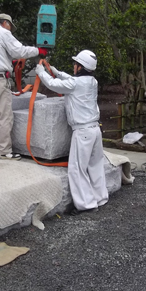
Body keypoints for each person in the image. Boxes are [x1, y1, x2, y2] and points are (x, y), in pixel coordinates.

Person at [35, 50, 108, 214]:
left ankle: (87, 204)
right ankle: (100, 197)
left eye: (76, 64)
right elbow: (71, 80)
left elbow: (53, 85)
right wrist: (55, 71)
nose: (74, 66)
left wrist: (41, 72)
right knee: (95, 165)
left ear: (80, 66)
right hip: (95, 130)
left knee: (77, 169)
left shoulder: (76, 84)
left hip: (82, 132)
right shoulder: (92, 81)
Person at [0, 13, 46, 160]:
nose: (10, 30)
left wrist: (10, 63)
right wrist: (38, 51)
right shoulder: (3, 33)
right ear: (5, 23)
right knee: (4, 116)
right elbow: (19, 51)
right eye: (10, 26)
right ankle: (3, 151)